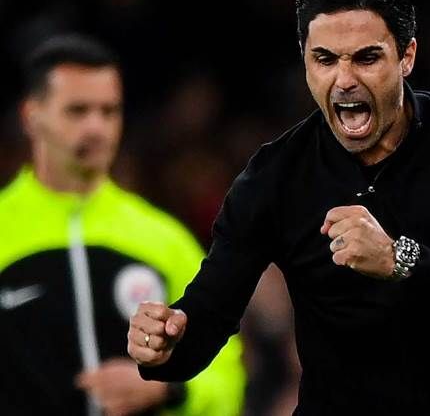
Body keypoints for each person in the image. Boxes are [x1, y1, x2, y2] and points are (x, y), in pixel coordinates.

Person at [127, 0, 430, 415]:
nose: (345, 80)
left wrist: (400, 260)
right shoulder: (276, 176)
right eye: (325, 59)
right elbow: (210, 312)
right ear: (305, 59)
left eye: (367, 58)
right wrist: (166, 345)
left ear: (407, 56)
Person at [0, 34, 246, 415]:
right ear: (31, 116)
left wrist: (170, 390)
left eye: (109, 111)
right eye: (78, 111)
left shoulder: (162, 238)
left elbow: (226, 369)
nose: (96, 127)